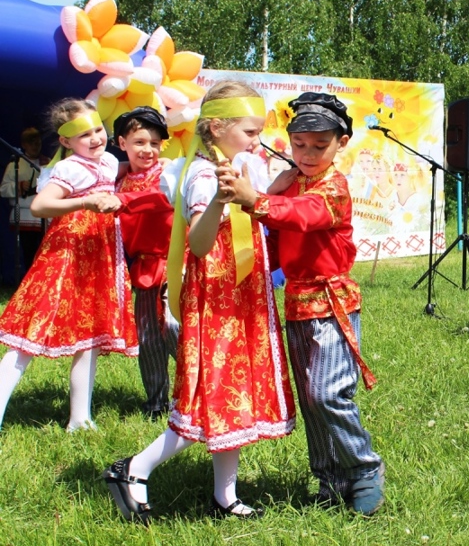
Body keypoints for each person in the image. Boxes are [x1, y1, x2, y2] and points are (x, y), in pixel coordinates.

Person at [103, 81, 295, 523]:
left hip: (244, 297)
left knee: (234, 395)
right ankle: (134, 468)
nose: (256, 139)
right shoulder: (204, 175)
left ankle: (224, 495)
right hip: (217, 302)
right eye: (249, 131)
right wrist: (219, 205)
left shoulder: (242, 165)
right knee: (210, 396)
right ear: (215, 127)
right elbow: (200, 243)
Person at [217, 92, 385, 516]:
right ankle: (331, 479)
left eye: (319, 145)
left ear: (341, 143)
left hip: (332, 302)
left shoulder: (335, 187)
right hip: (295, 302)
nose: (308, 153)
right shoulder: (289, 181)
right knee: (310, 398)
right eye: (300, 144)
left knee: (329, 393)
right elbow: (272, 232)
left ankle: (365, 469)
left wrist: (255, 199)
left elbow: (303, 216)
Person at [0, 99, 136, 431]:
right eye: (83, 134)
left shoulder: (106, 161)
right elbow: (41, 204)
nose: (94, 138)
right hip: (66, 254)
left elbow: (119, 172)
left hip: (97, 256)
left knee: (88, 335)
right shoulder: (70, 168)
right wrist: (85, 201)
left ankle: (80, 417)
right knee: (31, 332)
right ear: (65, 141)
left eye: (98, 129)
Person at [112, 107, 179, 419]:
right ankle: (156, 403)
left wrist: (122, 202)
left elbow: (161, 199)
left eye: (155, 143)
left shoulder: (168, 174)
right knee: (149, 338)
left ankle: (201, 388)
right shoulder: (117, 180)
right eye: (140, 142)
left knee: (174, 327)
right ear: (122, 142)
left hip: (176, 263)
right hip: (142, 269)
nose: (148, 150)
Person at [0, 127, 46, 276]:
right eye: (31, 143)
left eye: (37, 143)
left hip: (44, 218)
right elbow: (3, 189)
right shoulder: (15, 165)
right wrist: (19, 186)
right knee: (28, 252)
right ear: (24, 144)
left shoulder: (47, 163)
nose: (35, 146)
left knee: (43, 252)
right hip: (25, 216)